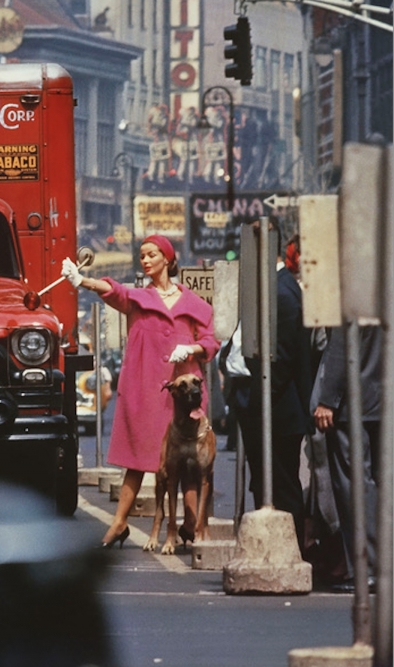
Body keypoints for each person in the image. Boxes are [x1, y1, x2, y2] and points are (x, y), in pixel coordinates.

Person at [62, 235, 220, 548]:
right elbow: (114, 290)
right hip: (146, 389)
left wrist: (191, 347)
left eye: (151, 255)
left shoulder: (194, 304)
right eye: (142, 256)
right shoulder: (137, 298)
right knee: (137, 461)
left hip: (182, 392)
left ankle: (189, 523)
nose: (144, 261)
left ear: (167, 259)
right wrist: (82, 281)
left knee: (189, 460)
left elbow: (210, 342)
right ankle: (119, 522)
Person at [234, 219, 313, 553]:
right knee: (267, 483)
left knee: (280, 485)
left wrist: (256, 401)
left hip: (275, 411)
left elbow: (278, 362)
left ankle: (288, 553)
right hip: (267, 407)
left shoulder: (280, 292)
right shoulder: (269, 287)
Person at [313, 325, 381, 593]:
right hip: (381, 398)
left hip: (353, 402)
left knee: (354, 487)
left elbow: (341, 345)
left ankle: (368, 569)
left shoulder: (351, 292)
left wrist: (327, 399)